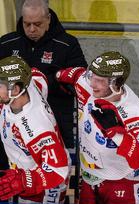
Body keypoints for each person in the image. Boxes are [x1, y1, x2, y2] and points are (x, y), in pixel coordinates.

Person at [55, 51, 139, 204]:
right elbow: (69, 75)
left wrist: (117, 133)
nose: (92, 83)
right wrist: (57, 78)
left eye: (99, 80)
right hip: (89, 178)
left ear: (115, 83)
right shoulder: (86, 85)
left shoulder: (132, 110)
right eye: (91, 76)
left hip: (123, 181)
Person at [0, 0, 87, 151]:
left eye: (38, 24)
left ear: (48, 19)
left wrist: (44, 82)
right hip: (11, 122)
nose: (32, 29)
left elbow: (81, 80)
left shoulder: (67, 44)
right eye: (27, 24)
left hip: (54, 119)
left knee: (52, 170)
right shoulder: (7, 42)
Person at [0, 56, 69, 204]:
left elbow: (58, 169)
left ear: (15, 89)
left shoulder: (35, 127)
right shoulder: (30, 83)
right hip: (21, 170)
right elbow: (37, 73)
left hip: (44, 186)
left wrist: (24, 181)